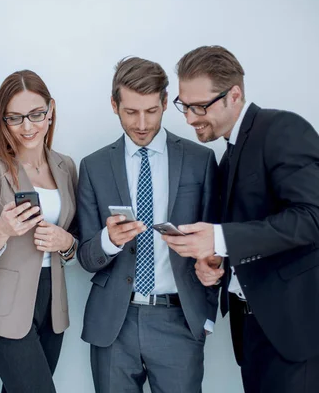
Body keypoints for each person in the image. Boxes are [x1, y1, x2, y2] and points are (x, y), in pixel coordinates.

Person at [165, 45, 319, 393]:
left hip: (296, 328)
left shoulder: (284, 129)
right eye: (185, 106)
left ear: (234, 95)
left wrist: (220, 238)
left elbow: (313, 219)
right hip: (253, 330)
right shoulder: (227, 158)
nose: (190, 118)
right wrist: (216, 265)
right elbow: (256, 235)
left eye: (200, 106)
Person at [77, 57, 220, 393]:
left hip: (179, 320)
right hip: (114, 322)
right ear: (114, 105)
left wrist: (207, 315)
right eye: (131, 112)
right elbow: (84, 256)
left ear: (166, 102)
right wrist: (109, 241)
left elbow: (217, 244)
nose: (142, 123)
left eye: (151, 111)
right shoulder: (94, 166)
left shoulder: (200, 161)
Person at [0, 70, 78, 393]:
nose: (28, 127)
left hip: (52, 302)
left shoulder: (65, 166)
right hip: (4, 304)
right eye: (15, 118)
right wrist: (0, 231)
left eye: (36, 114)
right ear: (2, 120)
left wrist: (66, 242)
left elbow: (75, 243)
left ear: (51, 110)